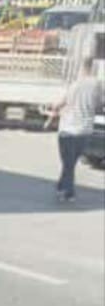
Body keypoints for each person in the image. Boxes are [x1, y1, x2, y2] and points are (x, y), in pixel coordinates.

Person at [44, 57, 102, 202]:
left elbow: (62, 103)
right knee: (70, 163)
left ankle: (68, 193)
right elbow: (100, 103)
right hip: (85, 130)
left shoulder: (74, 85)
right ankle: (60, 186)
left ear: (81, 68)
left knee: (68, 164)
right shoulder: (97, 85)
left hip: (68, 129)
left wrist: (52, 108)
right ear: (93, 68)